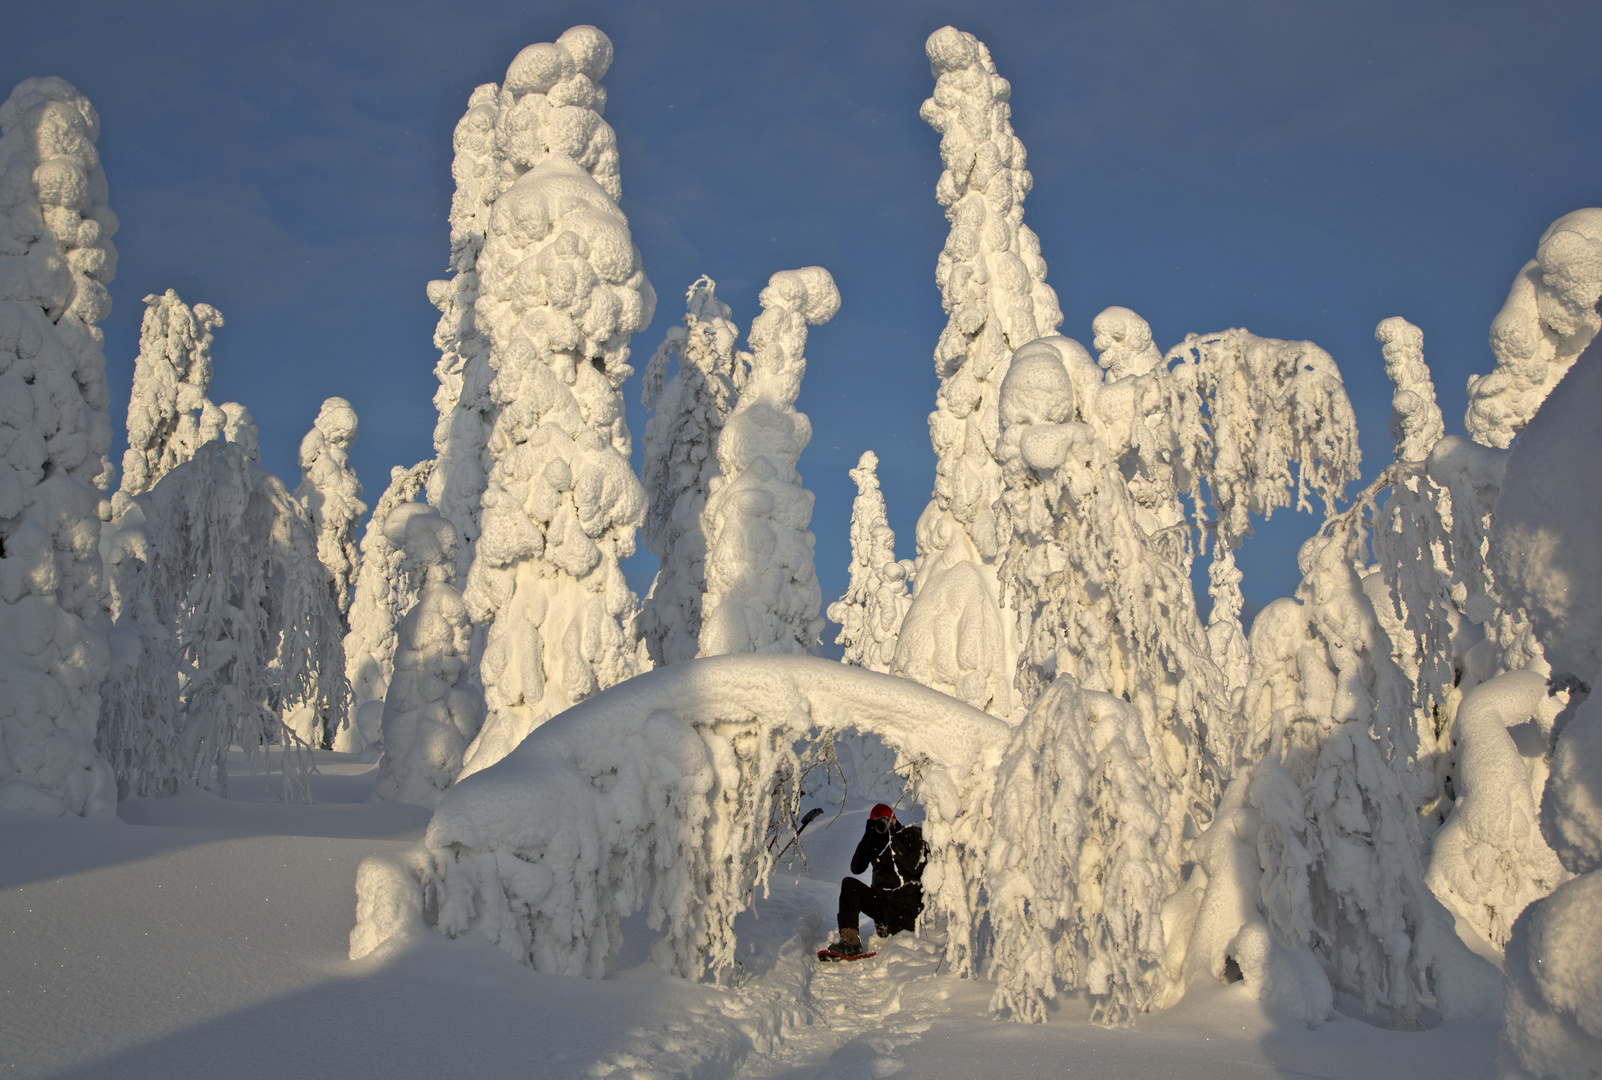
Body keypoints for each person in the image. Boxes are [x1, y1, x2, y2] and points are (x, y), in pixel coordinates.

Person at [823, 803, 928, 959]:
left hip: (905, 907)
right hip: (882, 902)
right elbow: (856, 868)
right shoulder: (875, 840)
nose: (882, 824)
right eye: (877, 821)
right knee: (849, 884)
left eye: (885, 820)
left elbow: (914, 867)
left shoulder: (912, 834)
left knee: (900, 927)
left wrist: (893, 840)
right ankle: (850, 941)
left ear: (894, 819)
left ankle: (886, 926)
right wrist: (868, 836)